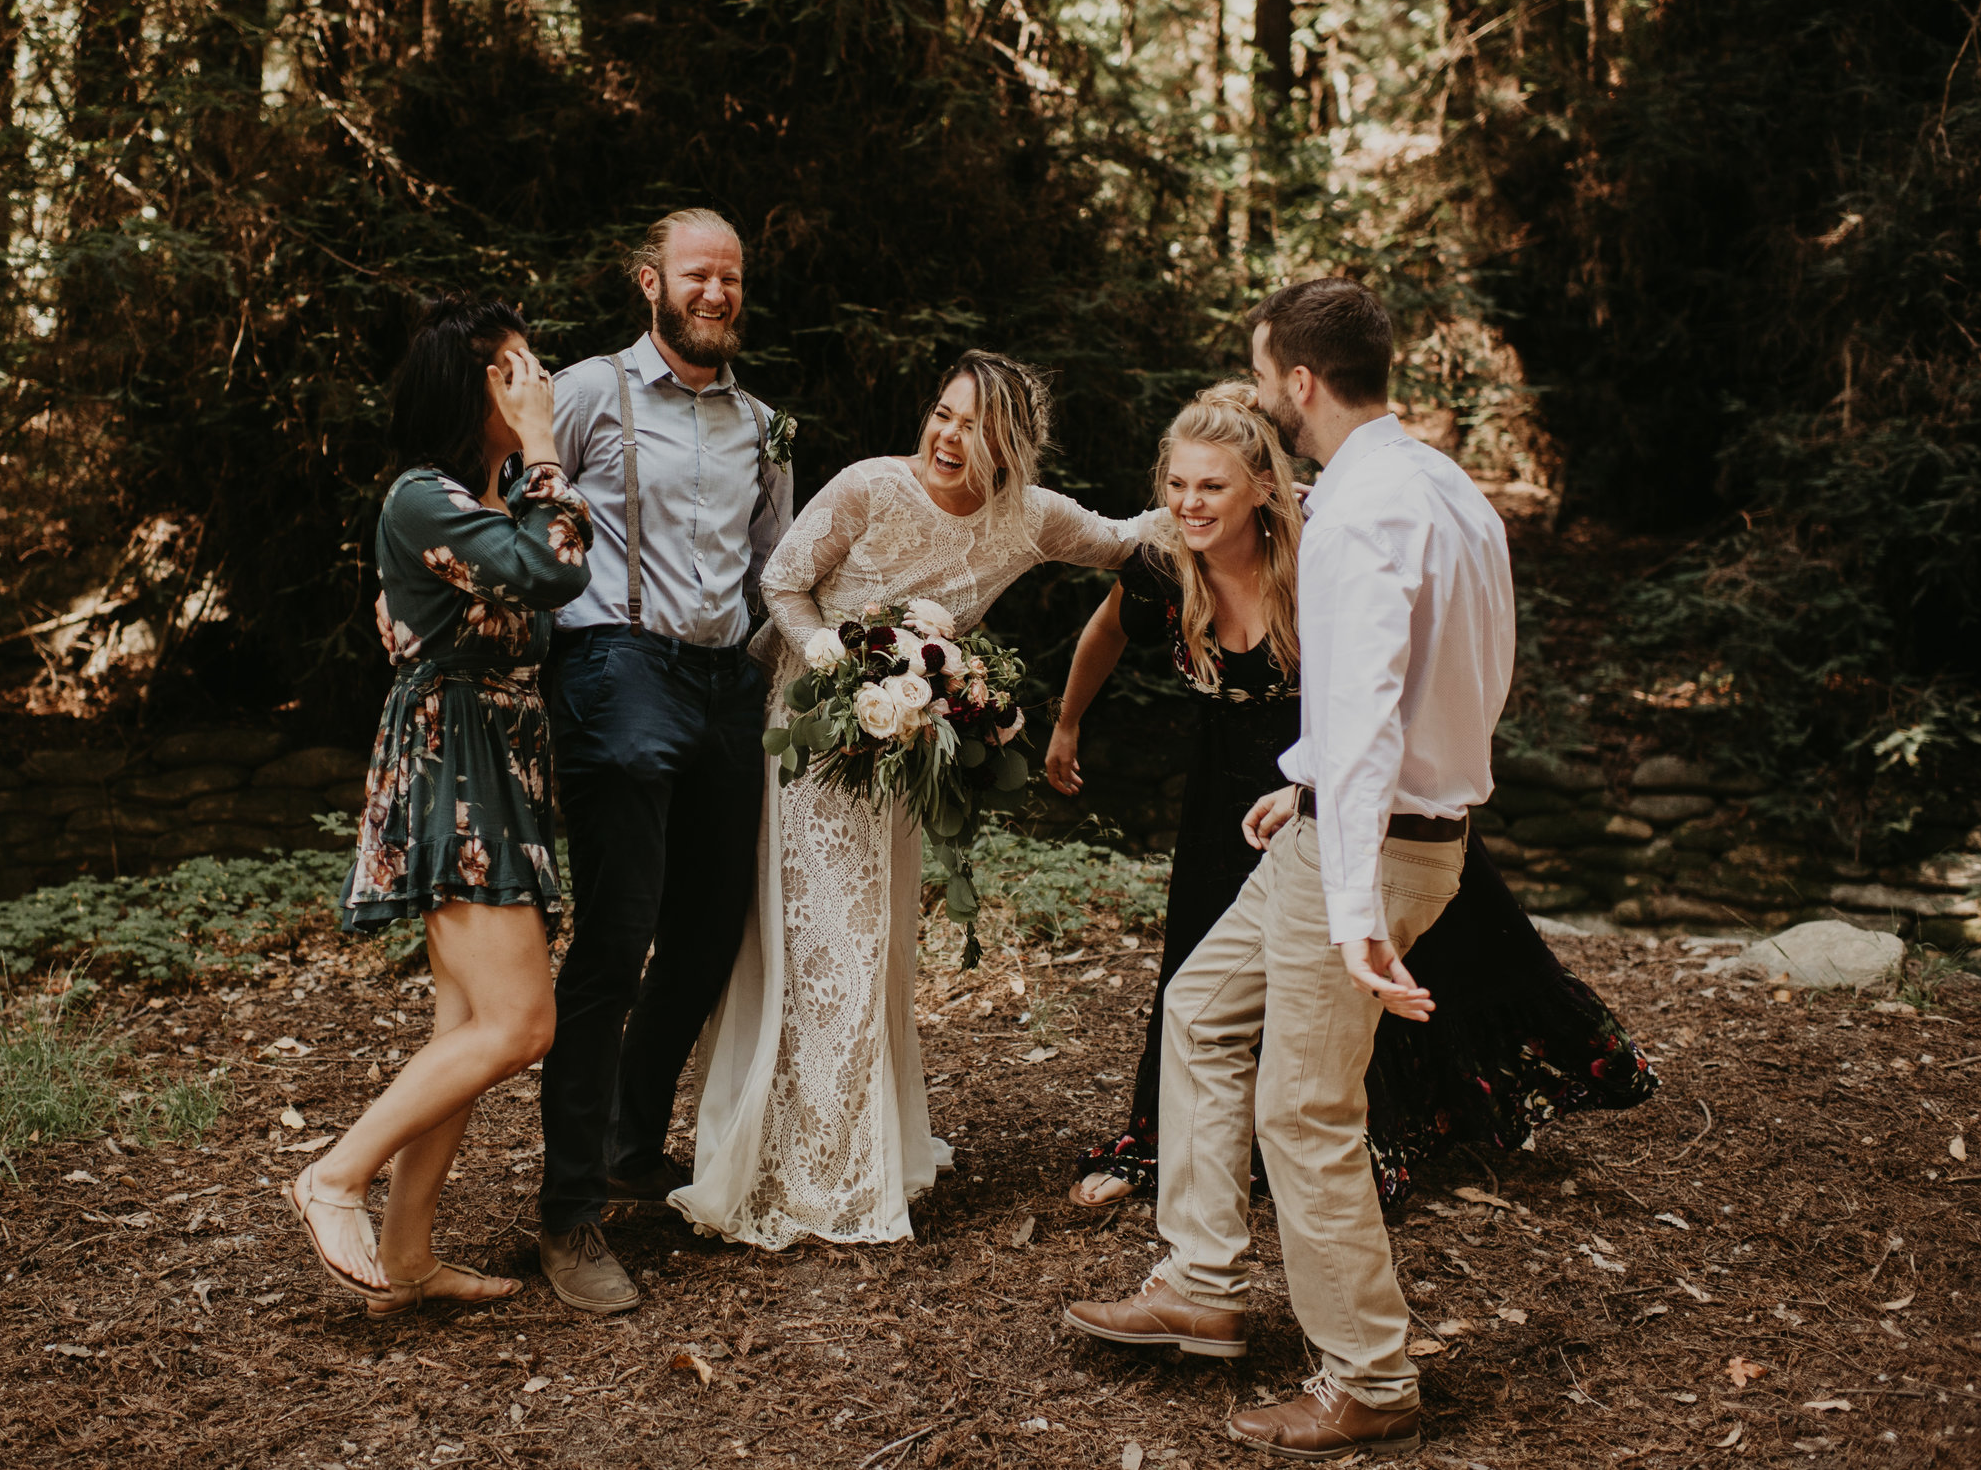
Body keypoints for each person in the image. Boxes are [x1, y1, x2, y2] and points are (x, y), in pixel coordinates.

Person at [1062, 278, 1515, 1461]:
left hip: (1366, 850)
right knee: (1201, 1009)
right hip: (1358, 822)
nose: (1262, 394)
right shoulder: (1441, 484)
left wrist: (1356, 902)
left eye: (1264, 376)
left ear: (1299, 382)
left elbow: (1367, 704)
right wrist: (1306, 775)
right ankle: (1202, 1278)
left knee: (1305, 1109)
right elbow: (1457, 675)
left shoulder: (1359, 513)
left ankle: (1367, 1373)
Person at [1048, 384, 1654, 1212]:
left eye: (1212, 486)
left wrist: (1329, 788)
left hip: (1328, 782)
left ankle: (1371, 1131)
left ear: (1263, 486)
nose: (1189, 503)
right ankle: (1168, 1147)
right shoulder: (1163, 565)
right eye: (1177, 485)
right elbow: (1106, 629)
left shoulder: (1316, 552)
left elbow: (1388, 678)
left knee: (1381, 958)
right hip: (1224, 792)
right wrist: (1067, 725)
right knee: (1201, 975)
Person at [669, 353, 1143, 1250]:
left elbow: (1124, 539)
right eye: (942, 412)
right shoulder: (868, 488)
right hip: (810, 735)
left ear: (1010, 444)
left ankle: (858, 1146)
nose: (946, 435)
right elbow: (782, 585)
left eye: (972, 424)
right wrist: (833, 668)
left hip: (900, 754)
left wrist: (1248, 501)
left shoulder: (1030, 519)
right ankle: (803, 1170)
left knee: (875, 941)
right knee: (822, 940)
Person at [288, 295, 593, 1317]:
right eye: (511, 368)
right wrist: (547, 446)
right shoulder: (420, 497)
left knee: (464, 1022)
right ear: (467, 388)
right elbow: (554, 570)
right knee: (521, 1023)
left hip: (497, 761)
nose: (533, 382)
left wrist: (529, 466)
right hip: (456, 763)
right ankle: (335, 1176)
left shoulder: (480, 505)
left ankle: (409, 1256)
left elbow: (533, 566)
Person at [533, 209, 795, 1315]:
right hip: (615, 669)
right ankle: (566, 1211)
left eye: (730, 278)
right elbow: (525, 517)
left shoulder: (768, 426)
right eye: (698, 275)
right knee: (616, 937)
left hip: (727, 681)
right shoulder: (589, 391)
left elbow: (776, 568)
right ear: (651, 283)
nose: (717, 294)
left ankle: (637, 1146)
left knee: (705, 930)